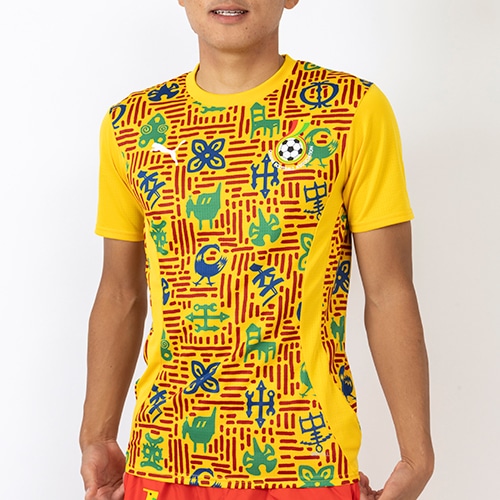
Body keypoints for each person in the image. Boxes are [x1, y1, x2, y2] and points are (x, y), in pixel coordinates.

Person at [80, 1, 434, 499]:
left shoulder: (349, 110)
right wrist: (96, 436)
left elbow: (389, 290)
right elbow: (120, 293)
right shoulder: (132, 125)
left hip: (307, 456)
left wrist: (417, 457)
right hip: (165, 454)